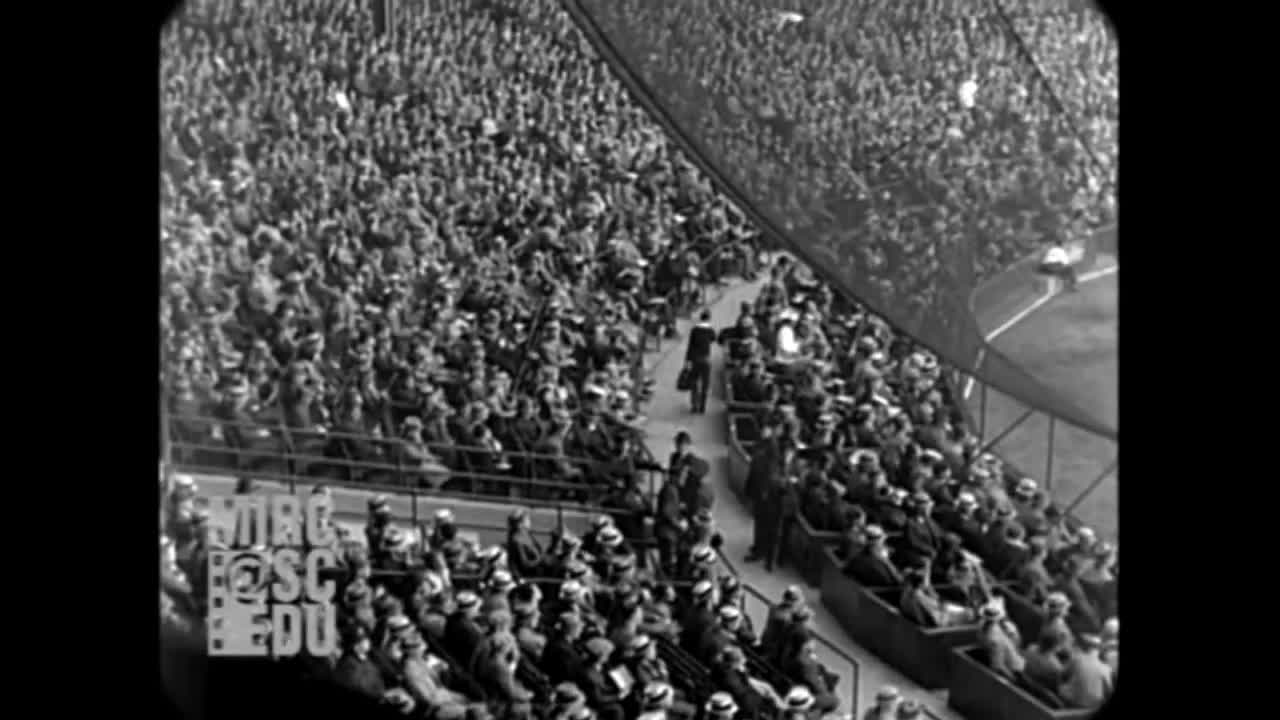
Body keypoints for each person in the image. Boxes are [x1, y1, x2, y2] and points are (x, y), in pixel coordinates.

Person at [1057, 634, 1113, 709]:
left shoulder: (1077, 658)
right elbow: (1109, 691)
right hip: (1092, 707)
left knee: (1061, 686)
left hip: (1072, 702)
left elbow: (1063, 674)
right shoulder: (1107, 669)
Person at [683, 309, 717, 413]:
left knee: (694, 382)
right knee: (705, 383)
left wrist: (687, 360)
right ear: (709, 318)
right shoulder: (710, 330)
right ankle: (702, 406)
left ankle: (694, 405)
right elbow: (713, 339)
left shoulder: (694, 330)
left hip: (694, 359)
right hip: (705, 359)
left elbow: (690, 346)